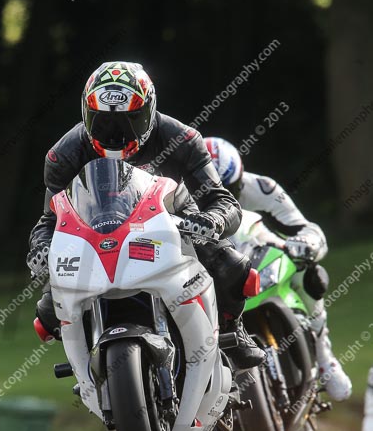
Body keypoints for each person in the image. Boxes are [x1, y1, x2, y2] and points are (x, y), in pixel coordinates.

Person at [26, 61, 265, 368]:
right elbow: (49, 220)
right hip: (92, 234)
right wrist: (41, 248)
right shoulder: (64, 154)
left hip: (174, 220)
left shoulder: (183, 138)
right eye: (102, 123)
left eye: (128, 122)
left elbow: (222, 201)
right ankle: (85, 367)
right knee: (48, 313)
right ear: (86, 116)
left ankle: (233, 329)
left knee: (234, 267)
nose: (114, 135)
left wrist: (212, 220)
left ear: (149, 112)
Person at [203, 136, 352, 401]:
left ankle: (324, 357)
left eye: (231, 188)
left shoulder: (262, 188)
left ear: (240, 178)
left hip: (262, 250)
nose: (224, 198)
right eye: (215, 192)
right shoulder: (179, 199)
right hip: (214, 268)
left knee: (311, 274)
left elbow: (305, 227)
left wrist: (307, 243)